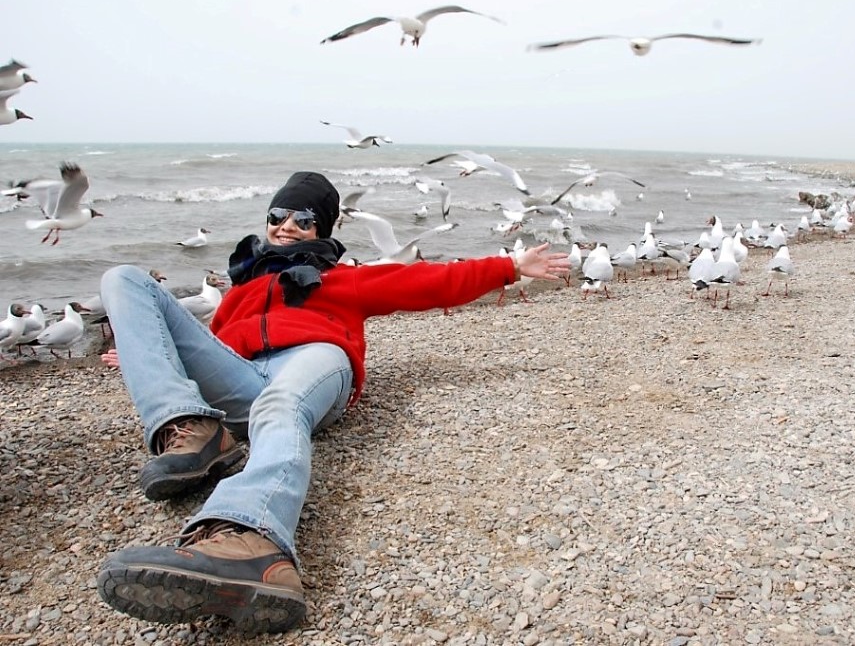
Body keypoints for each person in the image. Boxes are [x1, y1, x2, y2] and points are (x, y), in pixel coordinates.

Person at [95, 171, 570, 633]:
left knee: (279, 407)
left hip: (315, 361)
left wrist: (508, 267)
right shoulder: (237, 291)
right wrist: (146, 349)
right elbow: (209, 349)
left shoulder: (341, 280)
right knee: (124, 278)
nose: (286, 225)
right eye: (278, 214)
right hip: (241, 379)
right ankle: (194, 433)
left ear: (320, 228)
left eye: (303, 219)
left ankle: (251, 540)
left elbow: (428, 281)